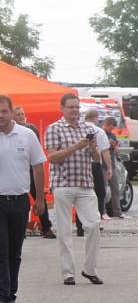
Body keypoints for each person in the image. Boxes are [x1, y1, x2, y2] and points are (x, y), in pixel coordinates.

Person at [44, 93, 104, 286]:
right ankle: (68, 272)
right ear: (62, 109)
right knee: (64, 230)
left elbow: (96, 159)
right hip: (62, 183)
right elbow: (52, 158)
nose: (75, 111)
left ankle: (89, 269)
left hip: (85, 183)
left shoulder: (89, 128)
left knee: (93, 224)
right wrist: (76, 146)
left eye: (77, 107)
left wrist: (93, 148)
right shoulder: (54, 128)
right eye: (71, 107)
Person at [0, 95, 47, 303]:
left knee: (14, 252)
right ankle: (2, 298)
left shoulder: (27, 135)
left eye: (4, 111)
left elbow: (38, 166)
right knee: (1, 250)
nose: (1, 116)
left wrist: (39, 199)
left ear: (11, 112)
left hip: (19, 201)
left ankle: (11, 296)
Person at [12, 105, 55, 238]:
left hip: (31, 167)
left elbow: (36, 151)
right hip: (16, 169)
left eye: (22, 114)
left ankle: (46, 227)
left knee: (38, 195)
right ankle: (19, 228)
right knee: (17, 199)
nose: (20, 116)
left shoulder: (31, 129)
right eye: (17, 114)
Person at [102, 116, 123, 218]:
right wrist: (106, 142)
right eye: (110, 127)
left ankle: (117, 212)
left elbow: (117, 152)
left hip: (112, 165)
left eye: (113, 128)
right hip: (102, 165)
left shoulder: (113, 136)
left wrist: (115, 146)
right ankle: (103, 212)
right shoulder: (100, 134)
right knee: (103, 189)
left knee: (115, 188)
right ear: (106, 124)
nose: (111, 129)